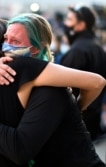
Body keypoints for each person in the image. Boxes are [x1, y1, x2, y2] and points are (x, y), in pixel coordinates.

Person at [0, 14, 106, 167]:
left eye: (15, 41)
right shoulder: (3, 74)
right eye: (5, 39)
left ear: (36, 49)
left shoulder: (22, 65)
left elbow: (97, 82)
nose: (7, 46)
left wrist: (77, 108)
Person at [60, 4, 106, 141]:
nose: (65, 24)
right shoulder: (96, 47)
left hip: (77, 122)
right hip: (92, 120)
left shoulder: (77, 51)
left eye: (69, 20)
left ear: (80, 25)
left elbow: (64, 88)